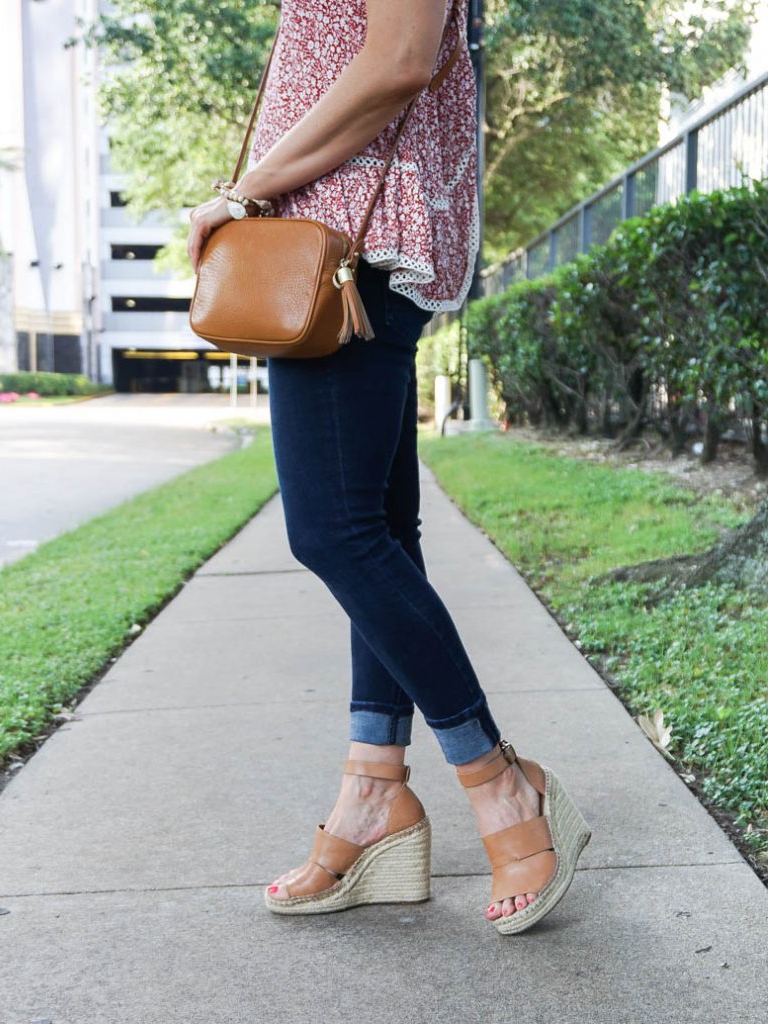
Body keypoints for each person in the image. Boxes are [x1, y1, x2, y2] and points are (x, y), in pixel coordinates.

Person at [186, 0, 591, 935]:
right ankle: (374, 794)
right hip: (342, 232)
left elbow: (399, 61)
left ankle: (502, 786)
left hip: (346, 243)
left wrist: (247, 193)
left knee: (332, 531)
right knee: (377, 531)